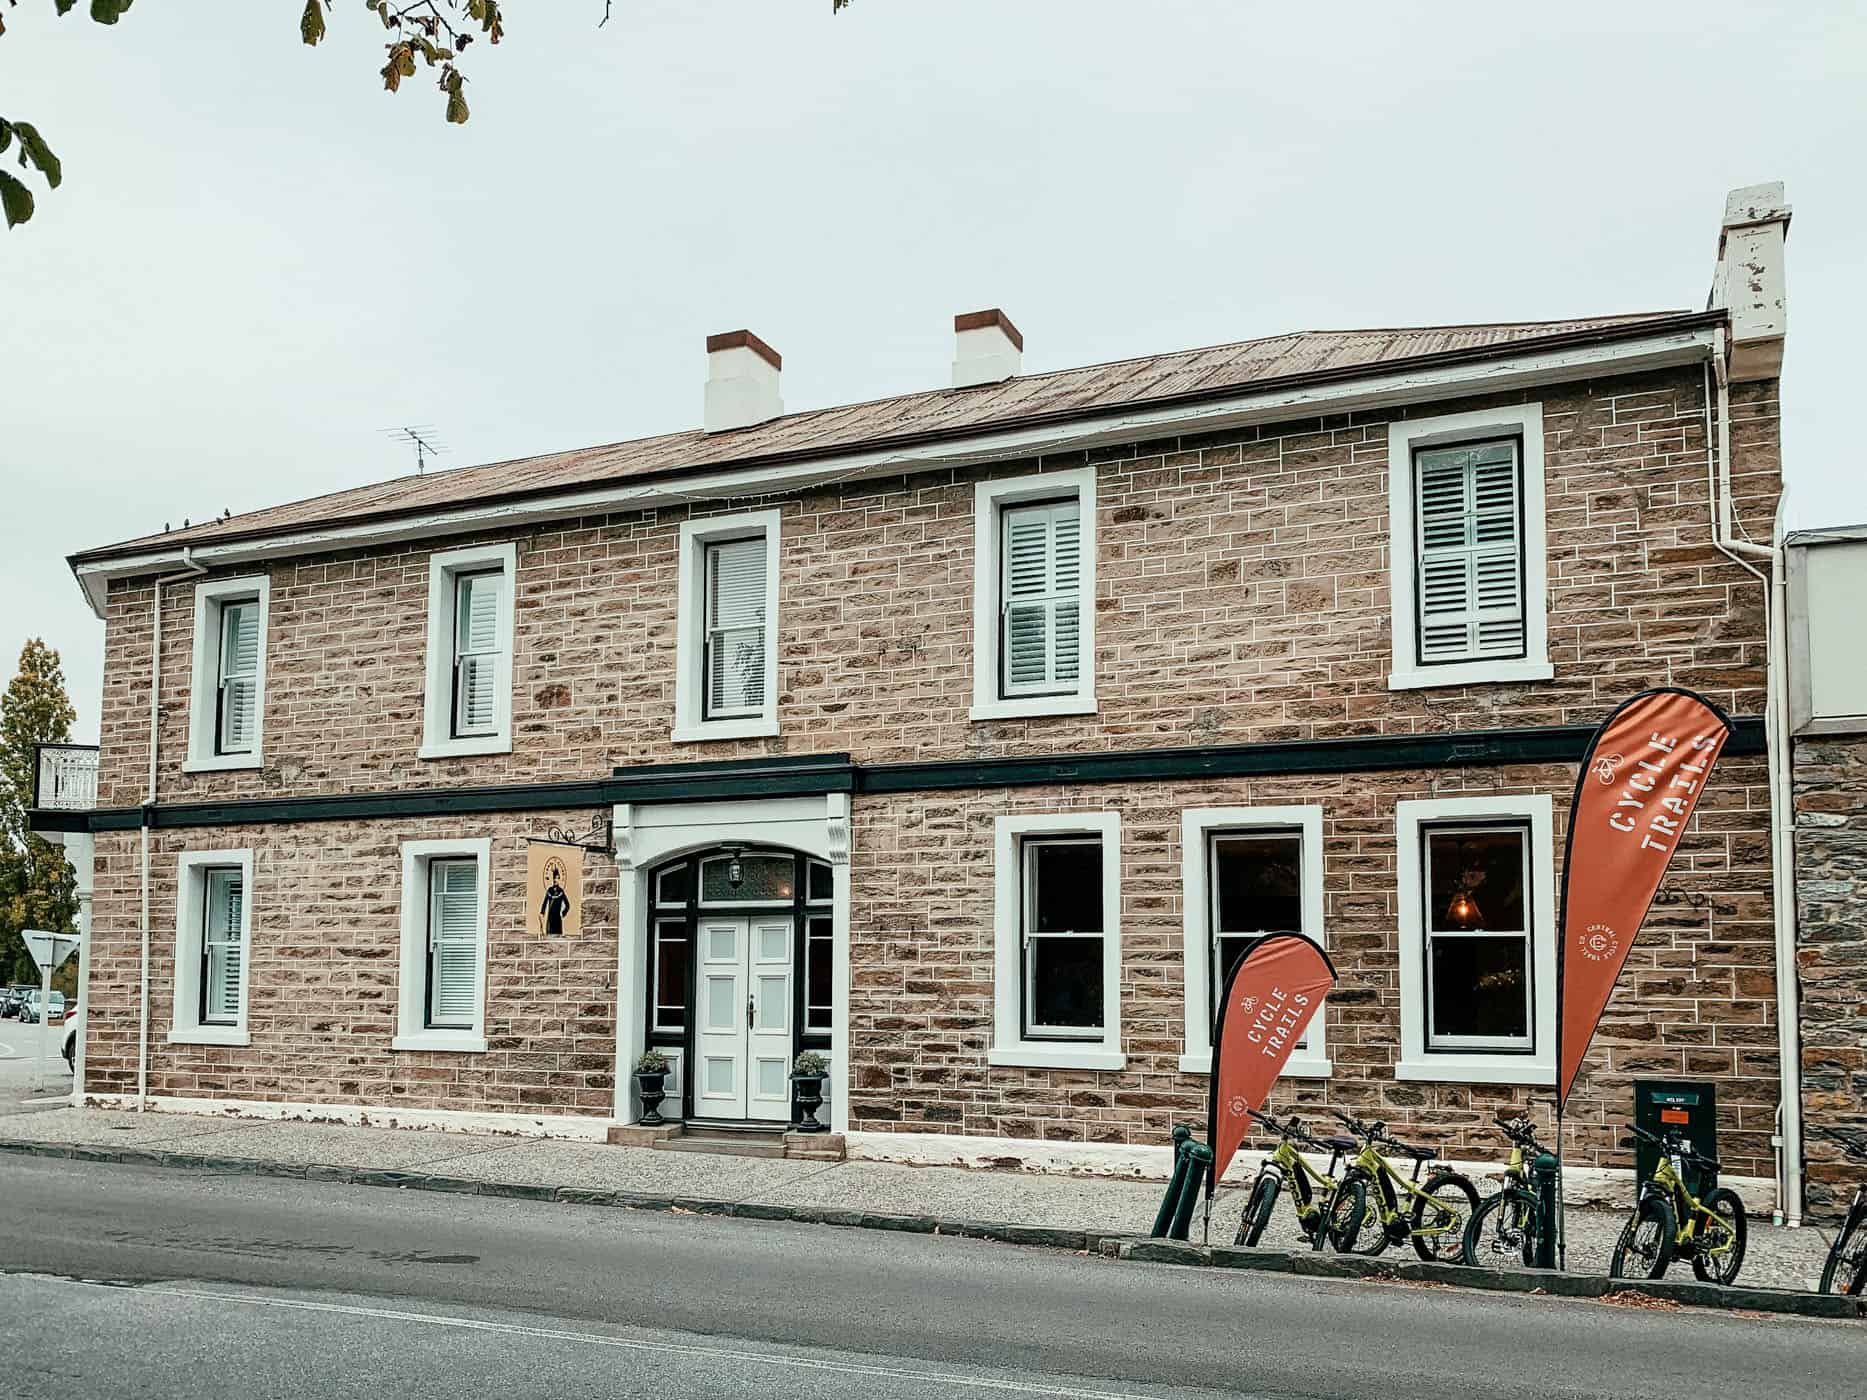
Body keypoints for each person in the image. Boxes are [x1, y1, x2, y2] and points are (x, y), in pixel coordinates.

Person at [540, 861, 572, 938]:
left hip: (557, 918)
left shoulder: (561, 891)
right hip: (550, 917)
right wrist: (542, 912)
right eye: (554, 878)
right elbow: (544, 903)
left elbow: (567, 905)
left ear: (559, 879)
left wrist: (563, 913)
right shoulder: (549, 890)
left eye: (557, 878)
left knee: (558, 937)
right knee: (549, 937)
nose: (555, 880)